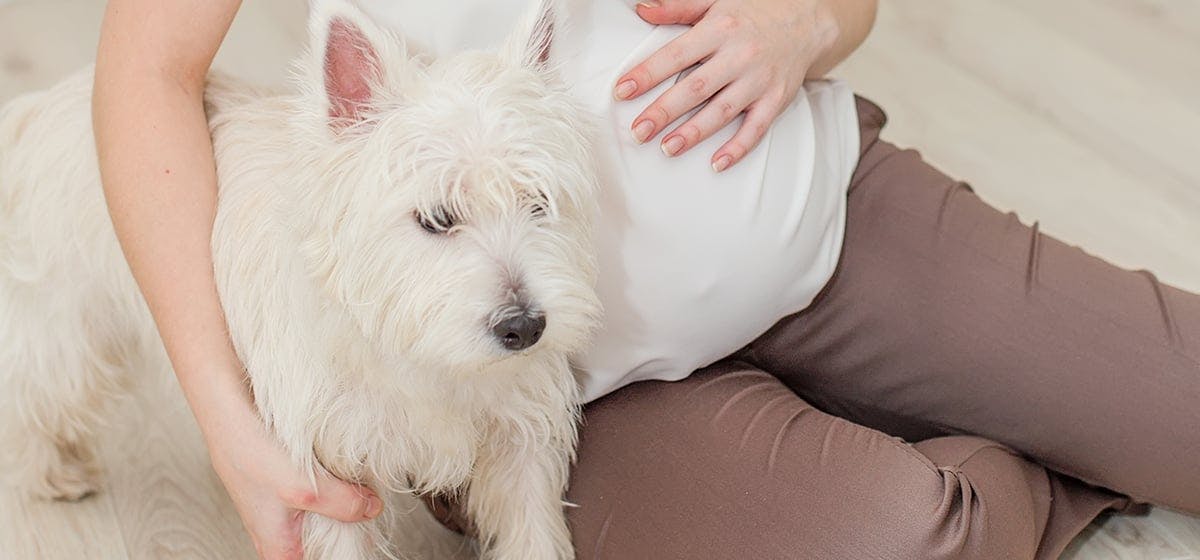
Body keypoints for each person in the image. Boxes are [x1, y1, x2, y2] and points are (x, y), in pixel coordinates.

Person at [92, 1, 1199, 560]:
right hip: (544, 400)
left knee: (1180, 396)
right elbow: (146, 72)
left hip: (827, 217)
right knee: (906, 539)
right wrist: (223, 404)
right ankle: (1027, 436)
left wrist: (802, 19)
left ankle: (1050, 405)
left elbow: (842, 0)